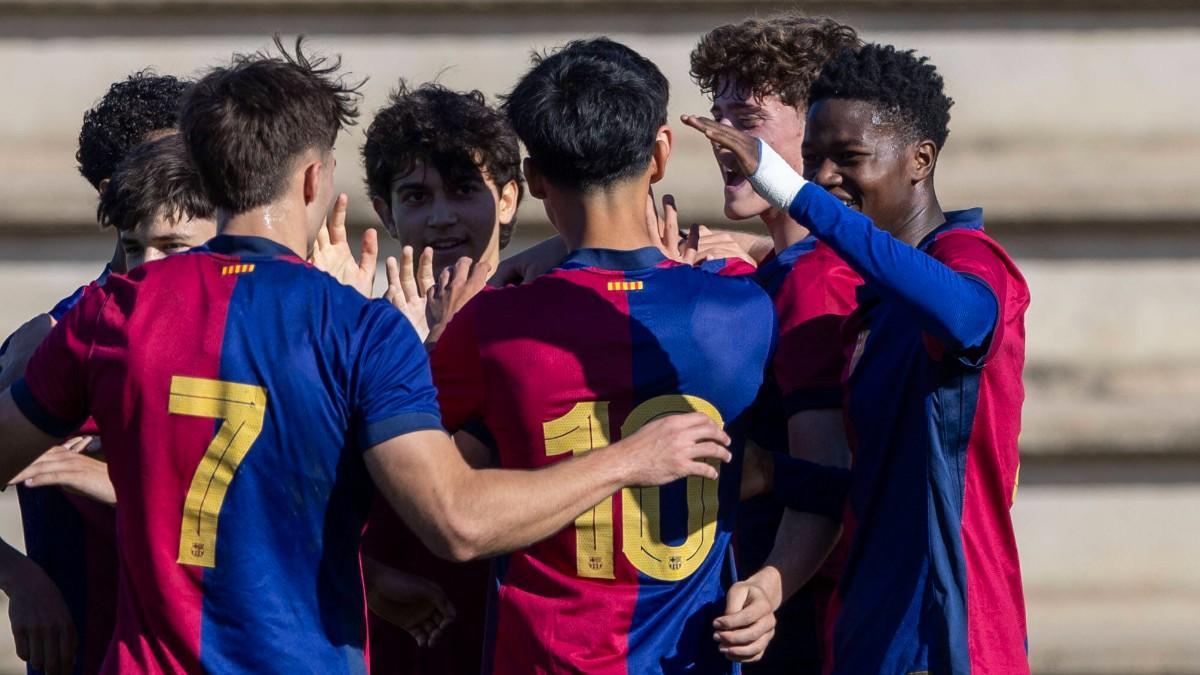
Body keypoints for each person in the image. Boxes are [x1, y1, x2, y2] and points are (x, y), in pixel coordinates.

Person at [0, 37, 730, 674]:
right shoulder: (357, 327)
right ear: (316, 180)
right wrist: (630, 459)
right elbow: (458, 520)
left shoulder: (112, 312)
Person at [427, 37, 776, 673]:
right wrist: (754, 254)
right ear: (662, 153)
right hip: (690, 657)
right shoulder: (744, 309)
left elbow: (419, 483)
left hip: (541, 659)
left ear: (532, 181)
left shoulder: (492, 325)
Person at [685, 42, 1031, 675]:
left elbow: (964, 316)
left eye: (848, 159)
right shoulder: (871, 308)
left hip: (943, 639)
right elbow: (872, 494)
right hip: (866, 638)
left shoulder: (970, 260)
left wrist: (789, 191)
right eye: (811, 161)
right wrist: (769, 472)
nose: (823, 179)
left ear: (920, 160)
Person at [0, 72, 193, 675]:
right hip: (91, 647)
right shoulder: (50, 339)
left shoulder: (234, 320)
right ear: (115, 192)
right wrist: (23, 580)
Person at [687, 15, 862, 673]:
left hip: (798, 625)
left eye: (747, 118)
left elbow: (826, 477)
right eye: (717, 112)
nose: (719, 137)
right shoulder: (794, 263)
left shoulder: (816, 280)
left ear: (818, 130)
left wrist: (768, 589)